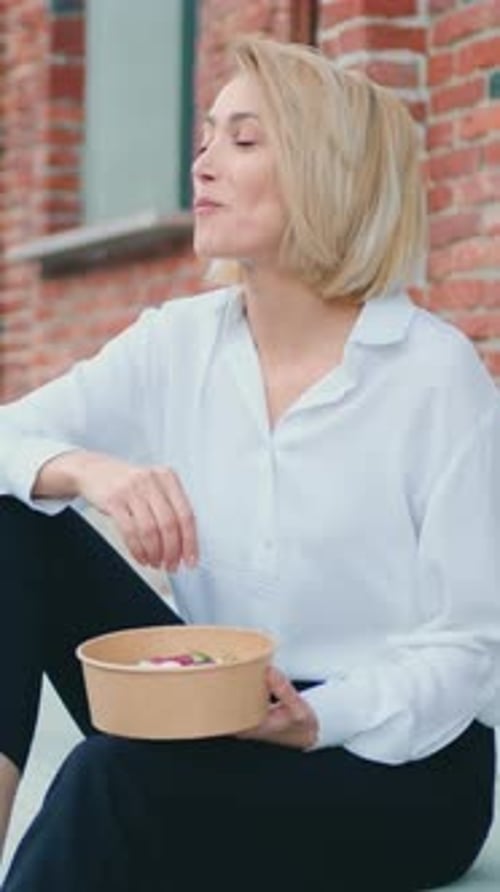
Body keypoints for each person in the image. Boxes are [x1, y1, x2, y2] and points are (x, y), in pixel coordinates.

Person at [0, 33, 499, 892]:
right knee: (11, 516)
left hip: (396, 769)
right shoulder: (179, 341)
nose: (202, 164)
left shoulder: (432, 372)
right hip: (212, 703)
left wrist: (315, 718)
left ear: (325, 171)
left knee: (108, 783)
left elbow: (472, 647)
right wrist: (90, 471)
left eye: (243, 140)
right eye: (203, 138)